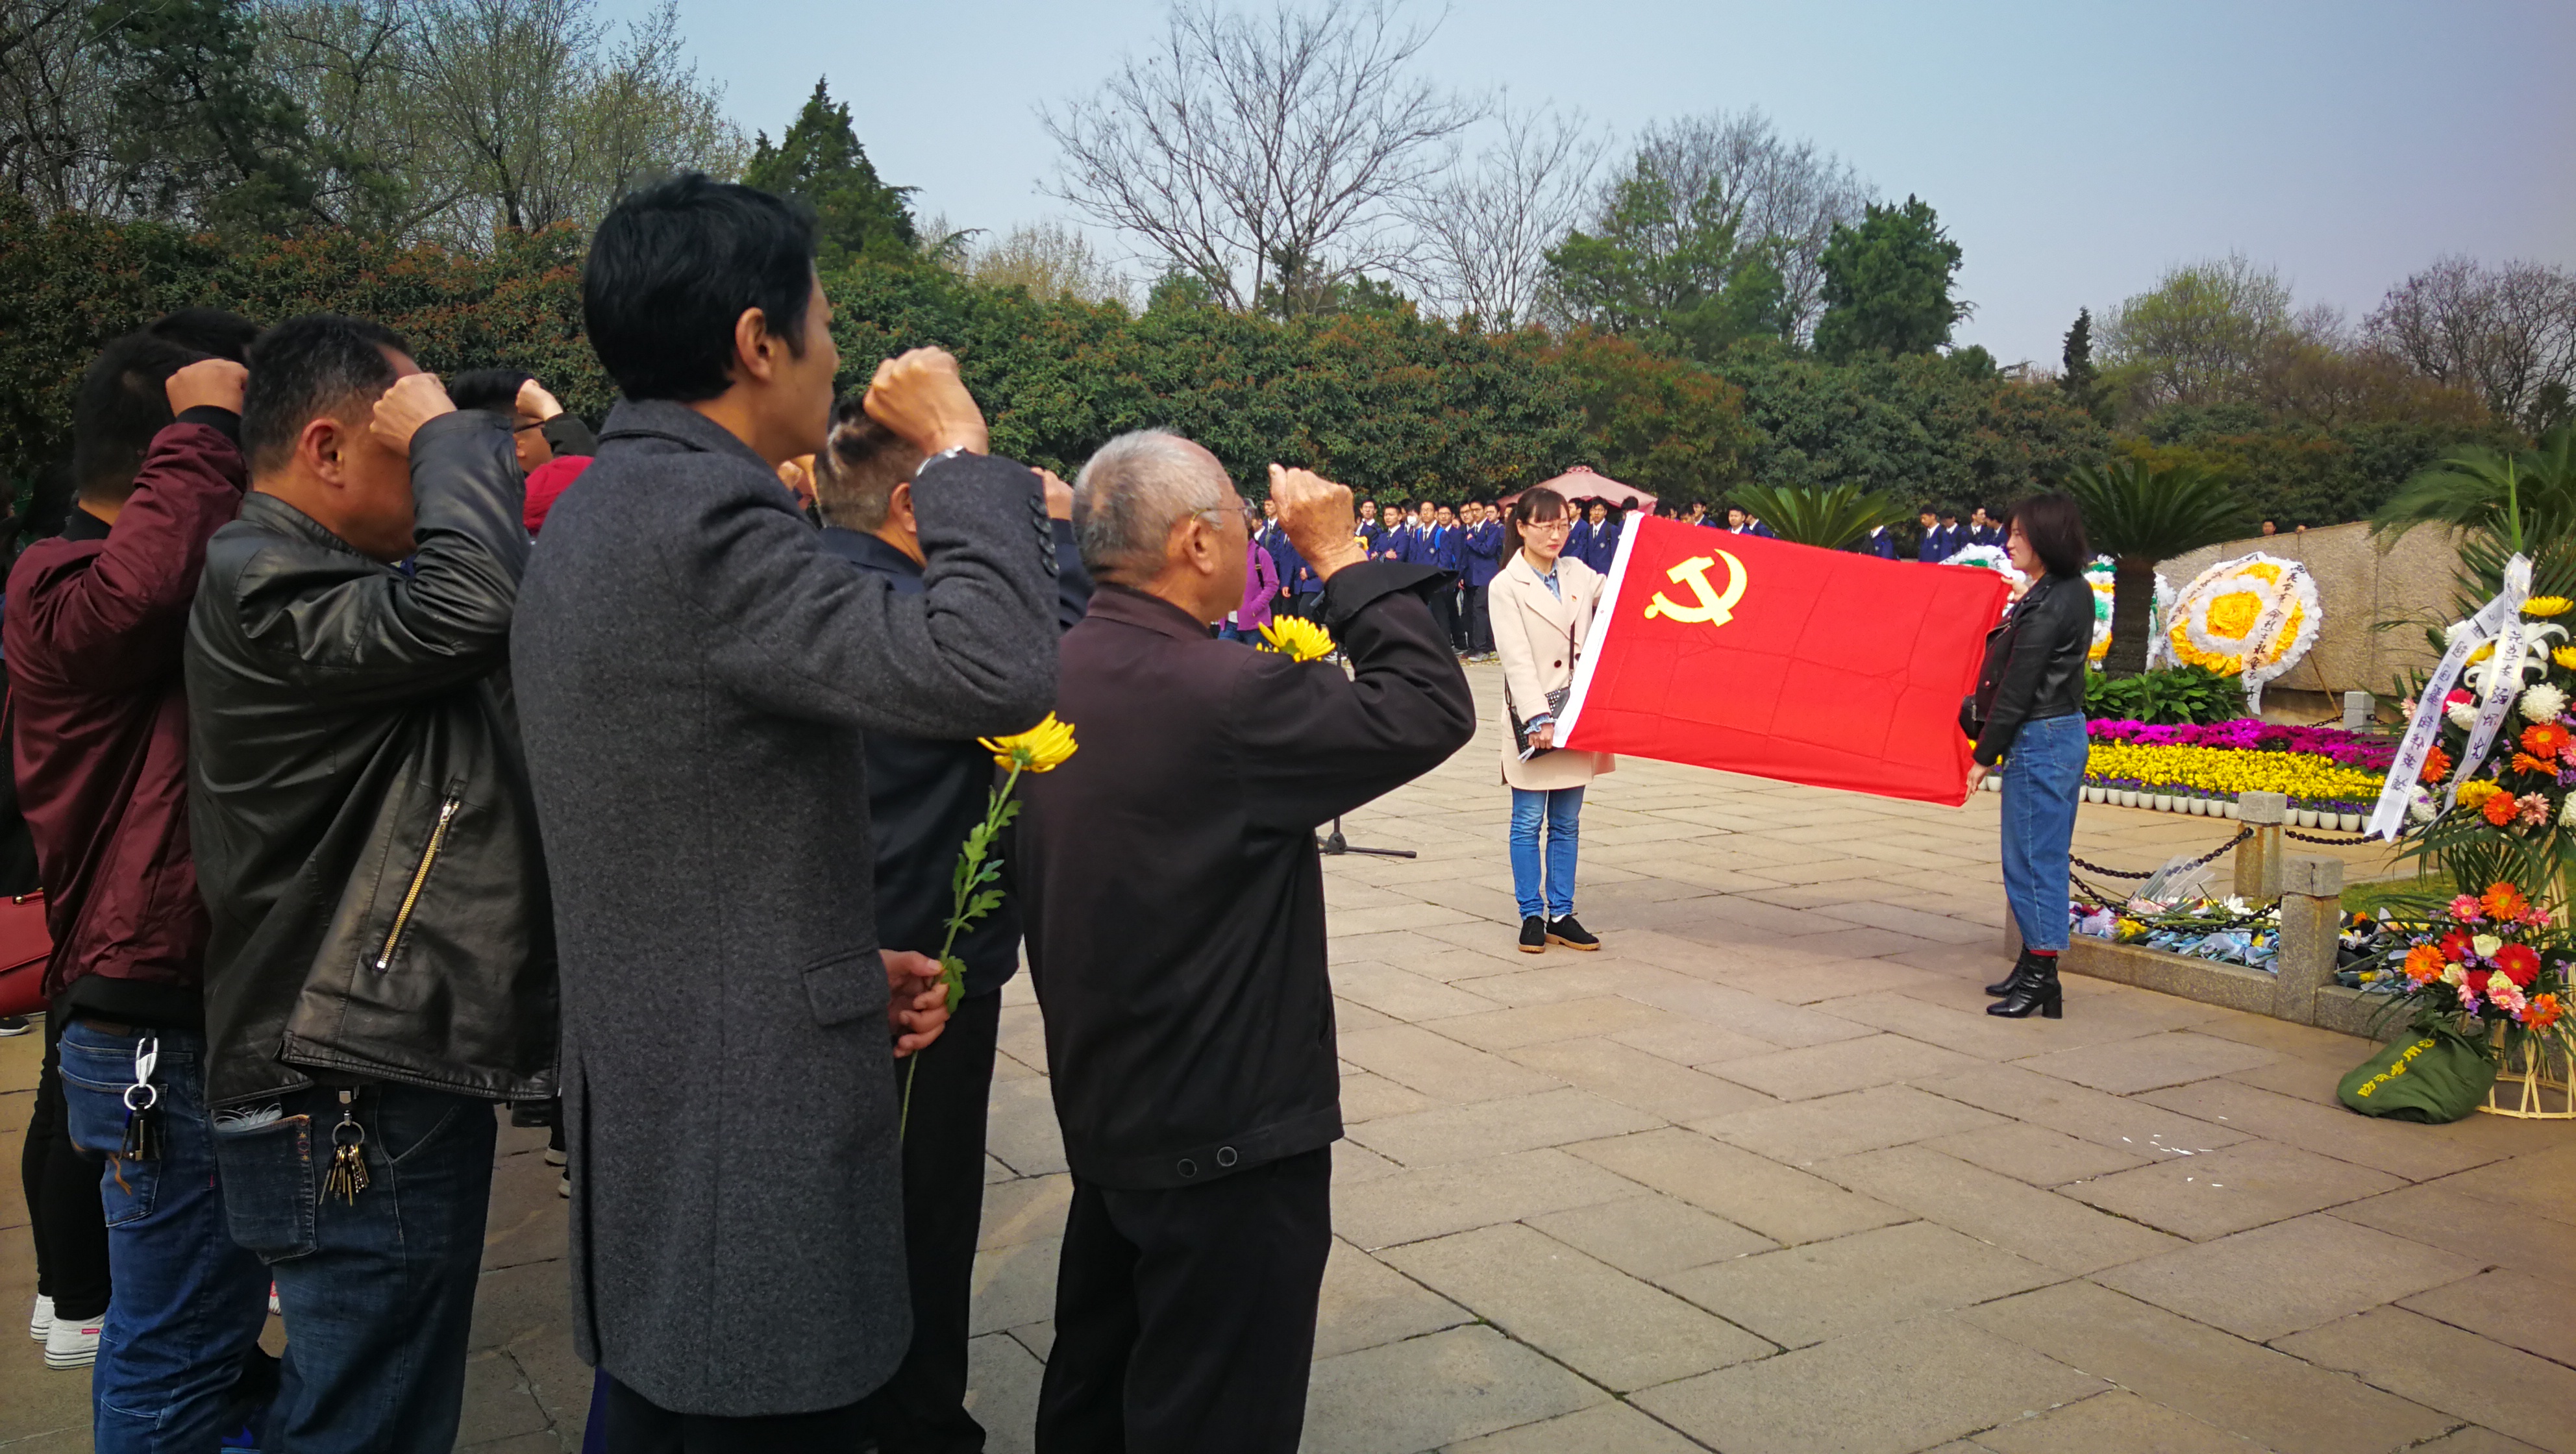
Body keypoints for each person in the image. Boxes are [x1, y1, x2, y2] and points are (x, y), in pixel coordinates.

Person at [510, 173, 1056, 1448]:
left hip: (672, 1083)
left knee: (661, 1402)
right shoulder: (708, 522)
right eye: (821, 323)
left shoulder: (605, 505)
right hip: (737, 1139)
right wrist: (962, 450)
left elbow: (675, 824)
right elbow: (996, 671)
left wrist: (829, 973)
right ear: (758, 343)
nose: (835, 356)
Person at [1021, 436, 1471, 1454]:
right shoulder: (1226, 694)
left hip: (1109, 1109)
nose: (1253, 536)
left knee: (1100, 1382)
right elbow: (1433, 705)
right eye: (1237, 517)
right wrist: (1343, 557)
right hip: (1227, 1131)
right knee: (1215, 1410)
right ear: (1192, 543)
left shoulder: (1050, 668)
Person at [184, 315, 555, 1451]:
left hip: (360, 1066)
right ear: (329, 450)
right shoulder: (264, 579)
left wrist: (477, 426)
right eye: (410, 451)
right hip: (342, 1086)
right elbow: (482, 602)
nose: (432, 481)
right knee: (365, 1423)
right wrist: (455, 436)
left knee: (372, 1403)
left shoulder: (317, 575)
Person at [8, 327, 282, 1435]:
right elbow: (143, 588)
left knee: (202, 1336)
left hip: (187, 1011)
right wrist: (211, 424)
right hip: (149, 1023)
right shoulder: (57, 582)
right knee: (170, 1349)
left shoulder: (146, 587)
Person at [807, 401, 1090, 1453]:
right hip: (919, 968)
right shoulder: (913, 617)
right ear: (909, 508)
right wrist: (1052, 534)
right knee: (921, 1221)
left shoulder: (806, 581)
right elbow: (1050, 676)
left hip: (825, 954)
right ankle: (919, 1424)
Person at [1965, 493, 2096, 1020]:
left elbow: (2019, 687)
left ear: (2046, 537)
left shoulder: (2052, 601)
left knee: (2033, 861)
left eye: (2019, 533)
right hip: (2056, 733)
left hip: (2040, 738)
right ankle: (2034, 965)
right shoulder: (2063, 591)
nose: (2009, 541)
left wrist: (1984, 756)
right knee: (2034, 857)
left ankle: (2041, 975)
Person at [1490, 487, 1612, 954]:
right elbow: (1515, 658)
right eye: (1545, 525)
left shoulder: (1578, 572)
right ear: (1521, 527)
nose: (1556, 534)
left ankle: (1562, 911)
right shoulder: (1506, 585)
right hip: (1535, 716)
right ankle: (1530, 914)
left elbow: (1623, 590)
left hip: (1578, 712)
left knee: (1567, 821)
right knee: (1526, 820)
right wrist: (1538, 716)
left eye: (1563, 524)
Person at [1462, 497, 1502, 660]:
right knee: (1471, 610)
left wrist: (1472, 543)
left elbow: (1488, 550)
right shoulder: (1472, 530)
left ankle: (1483, 648)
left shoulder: (1492, 529)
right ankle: (1477, 645)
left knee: (1480, 608)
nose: (1474, 514)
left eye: (1477, 510)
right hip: (1472, 575)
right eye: (1472, 511)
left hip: (1487, 575)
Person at [1427, 502, 1465, 653]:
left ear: (1452, 516)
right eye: (1441, 514)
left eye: (1446, 514)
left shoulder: (1456, 533)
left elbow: (1459, 556)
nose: (1443, 516)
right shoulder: (1436, 533)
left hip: (1450, 577)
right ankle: (1455, 642)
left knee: (1450, 610)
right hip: (1440, 579)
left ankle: (1458, 642)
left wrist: (1457, 577)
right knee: (1447, 610)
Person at [1579, 499, 1624, 573]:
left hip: (1606, 574)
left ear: (1605, 512)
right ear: (1590, 512)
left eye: (1600, 510)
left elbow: (1616, 554)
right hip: (1590, 574)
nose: (1596, 513)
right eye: (1594, 510)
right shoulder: (1588, 530)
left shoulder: (1611, 529)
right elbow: (1584, 553)